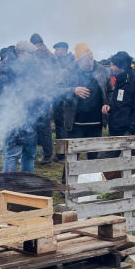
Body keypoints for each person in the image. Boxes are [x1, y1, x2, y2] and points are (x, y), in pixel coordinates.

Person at [56, 43, 111, 174]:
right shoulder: (68, 72)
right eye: (86, 61)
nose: (90, 63)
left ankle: (92, 182)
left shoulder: (103, 71)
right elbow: (56, 90)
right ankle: (66, 183)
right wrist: (73, 90)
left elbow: (111, 91)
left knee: (94, 156)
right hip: (75, 124)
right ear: (78, 61)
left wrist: (108, 104)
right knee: (73, 156)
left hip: (96, 123)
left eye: (91, 59)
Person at [3, 40, 39, 172]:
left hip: (31, 119)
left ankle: (27, 182)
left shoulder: (33, 70)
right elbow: (7, 94)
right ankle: (8, 182)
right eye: (31, 53)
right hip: (15, 119)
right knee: (13, 154)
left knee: (29, 154)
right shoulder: (10, 69)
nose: (33, 56)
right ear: (20, 53)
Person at [30, 34, 60, 166]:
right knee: (46, 127)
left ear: (32, 43)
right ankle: (47, 156)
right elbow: (58, 74)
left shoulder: (33, 54)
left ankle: (32, 154)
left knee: (32, 126)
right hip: (48, 96)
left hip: (34, 95)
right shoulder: (52, 56)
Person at [103, 51, 135, 138]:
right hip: (114, 130)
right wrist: (109, 106)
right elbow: (119, 102)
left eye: (113, 65)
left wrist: (131, 131)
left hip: (128, 133)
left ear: (121, 65)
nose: (111, 68)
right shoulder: (120, 80)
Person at [52, 42, 73, 161]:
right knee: (62, 126)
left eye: (57, 50)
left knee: (62, 126)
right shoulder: (64, 61)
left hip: (63, 99)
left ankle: (62, 154)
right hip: (61, 98)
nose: (55, 52)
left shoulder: (67, 63)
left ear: (64, 50)